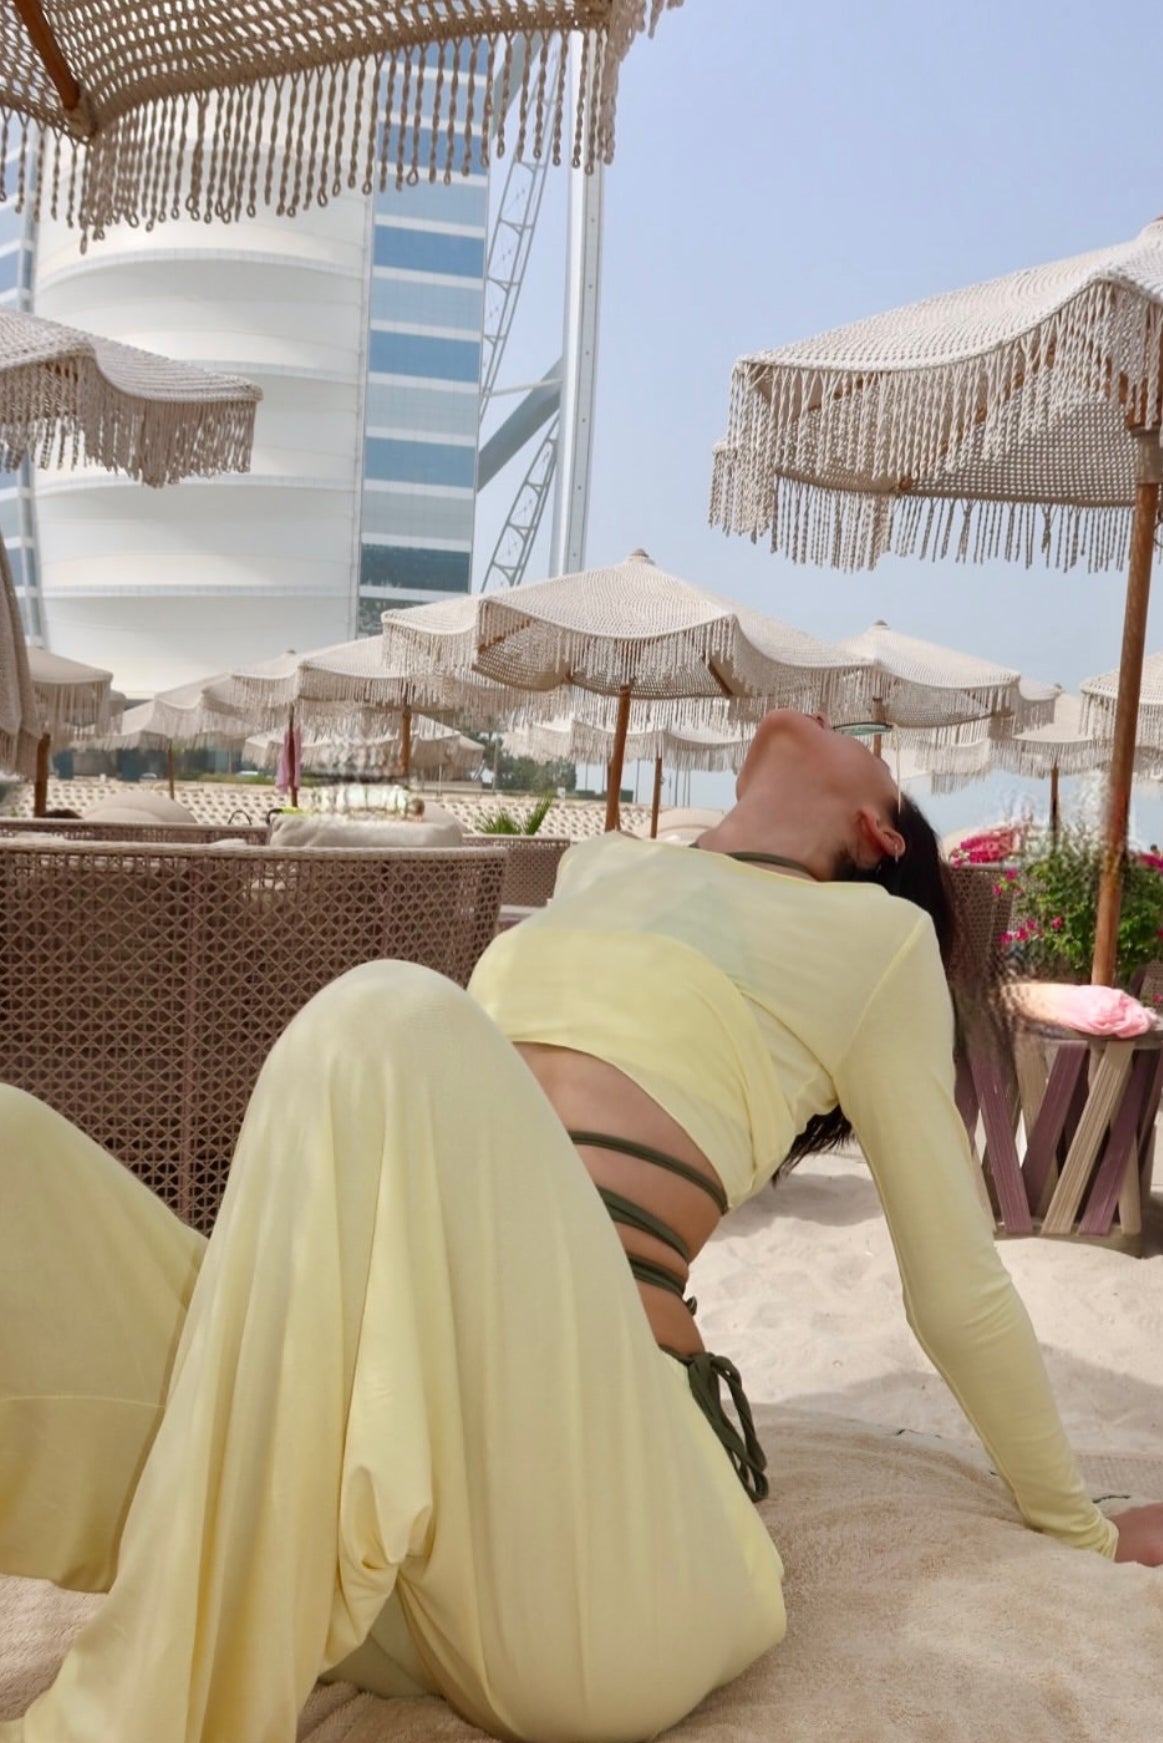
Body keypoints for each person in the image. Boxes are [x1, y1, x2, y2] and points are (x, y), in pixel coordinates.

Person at [2, 709, 1161, 1743]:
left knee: (383, 1020)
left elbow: (955, 1286)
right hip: (370, 1545)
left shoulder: (873, 939)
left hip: (593, 1560)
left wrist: (1077, 1522)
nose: (838, 717)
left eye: (870, 746)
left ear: (875, 830)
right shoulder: (598, 864)